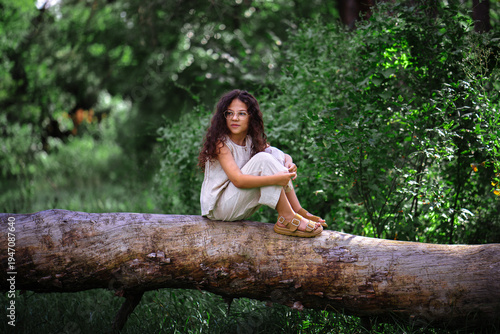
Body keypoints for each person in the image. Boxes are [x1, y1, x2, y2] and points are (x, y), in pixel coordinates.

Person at [198, 89, 326, 237]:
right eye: (229, 113)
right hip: (220, 208)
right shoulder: (221, 144)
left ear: (251, 117)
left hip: (237, 205)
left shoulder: (251, 142)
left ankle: (296, 210)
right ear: (223, 117)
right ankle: (288, 216)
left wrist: (289, 164)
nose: (234, 118)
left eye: (241, 113)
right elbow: (238, 180)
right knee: (263, 160)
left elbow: (282, 155)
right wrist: (276, 179)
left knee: (271, 156)